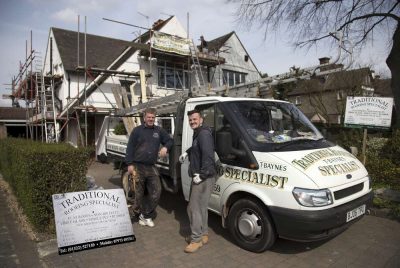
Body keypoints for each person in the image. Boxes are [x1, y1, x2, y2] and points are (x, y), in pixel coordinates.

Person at [125, 107, 173, 227]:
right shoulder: (137, 131)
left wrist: (165, 147)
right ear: (144, 118)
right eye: (149, 117)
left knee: (157, 191)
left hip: (151, 166)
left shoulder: (159, 131)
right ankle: (136, 213)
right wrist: (129, 164)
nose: (151, 119)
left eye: (153, 117)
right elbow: (130, 147)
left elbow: (169, 140)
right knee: (138, 193)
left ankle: (145, 215)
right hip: (137, 166)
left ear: (154, 118)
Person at [179, 109, 216, 253]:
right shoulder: (199, 133)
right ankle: (204, 234)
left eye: (195, 119)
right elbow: (197, 148)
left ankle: (196, 240)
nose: (192, 121)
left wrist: (202, 174)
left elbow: (208, 156)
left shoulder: (204, 134)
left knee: (193, 209)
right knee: (201, 207)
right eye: (190, 120)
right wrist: (187, 152)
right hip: (203, 176)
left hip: (203, 177)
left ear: (201, 119)